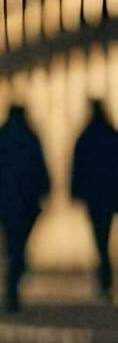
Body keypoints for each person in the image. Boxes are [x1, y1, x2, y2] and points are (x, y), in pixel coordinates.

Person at [0, 105, 48, 312]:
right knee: (18, 244)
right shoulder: (30, 137)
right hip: (25, 203)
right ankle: (14, 276)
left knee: (10, 243)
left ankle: (11, 279)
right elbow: (40, 170)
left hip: (5, 204)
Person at [71, 99, 118, 300]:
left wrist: (75, 192)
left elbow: (78, 167)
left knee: (99, 237)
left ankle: (104, 274)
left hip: (94, 197)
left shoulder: (86, 136)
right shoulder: (111, 135)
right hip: (108, 196)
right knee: (104, 235)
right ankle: (105, 275)